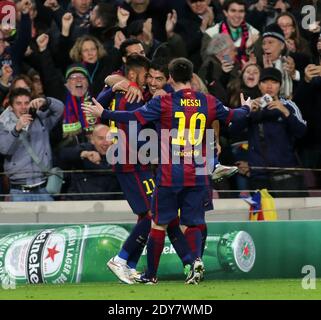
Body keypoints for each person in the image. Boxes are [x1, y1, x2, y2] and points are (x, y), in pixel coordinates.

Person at [83, 57, 253, 284]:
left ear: (170, 78)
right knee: (193, 222)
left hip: (170, 172)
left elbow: (134, 117)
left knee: (158, 223)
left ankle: (151, 275)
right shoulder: (208, 101)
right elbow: (235, 116)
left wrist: (105, 114)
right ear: (192, 77)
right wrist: (247, 107)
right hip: (199, 171)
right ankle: (194, 262)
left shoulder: (165, 102)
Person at [230, 67, 307, 197]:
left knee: (291, 216)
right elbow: (232, 132)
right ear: (259, 85)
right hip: (258, 176)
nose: (269, 86)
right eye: (265, 82)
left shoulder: (288, 105)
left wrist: (286, 112)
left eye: (274, 82)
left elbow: (302, 132)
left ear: (280, 86)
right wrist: (246, 113)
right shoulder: (252, 106)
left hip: (286, 174)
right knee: (263, 217)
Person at [0, 88, 64, 201]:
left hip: (44, 188)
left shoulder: (41, 119)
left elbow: (60, 109)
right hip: (18, 190)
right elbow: (4, 149)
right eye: (18, 103)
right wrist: (16, 129)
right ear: (11, 107)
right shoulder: (3, 123)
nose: (23, 107)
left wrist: (46, 101)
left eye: (26, 103)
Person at [57, 124, 121, 200]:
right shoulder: (85, 149)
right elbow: (62, 155)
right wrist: (83, 154)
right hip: (80, 203)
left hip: (109, 205)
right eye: (101, 138)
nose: (105, 143)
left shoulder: (118, 155)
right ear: (92, 140)